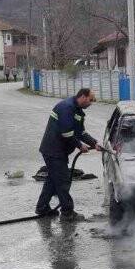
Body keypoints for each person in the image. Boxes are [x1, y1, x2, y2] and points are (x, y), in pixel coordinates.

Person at [35, 88, 99, 221]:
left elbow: (80, 132)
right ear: (83, 96)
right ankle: (67, 212)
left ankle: (42, 208)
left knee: (53, 180)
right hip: (54, 151)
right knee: (63, 181)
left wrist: (94, 144)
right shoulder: (66, 107)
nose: (91, 103)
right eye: (90, 100)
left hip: (58, 151)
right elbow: (66, 133)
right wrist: (80, 146)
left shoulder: (77, 111)